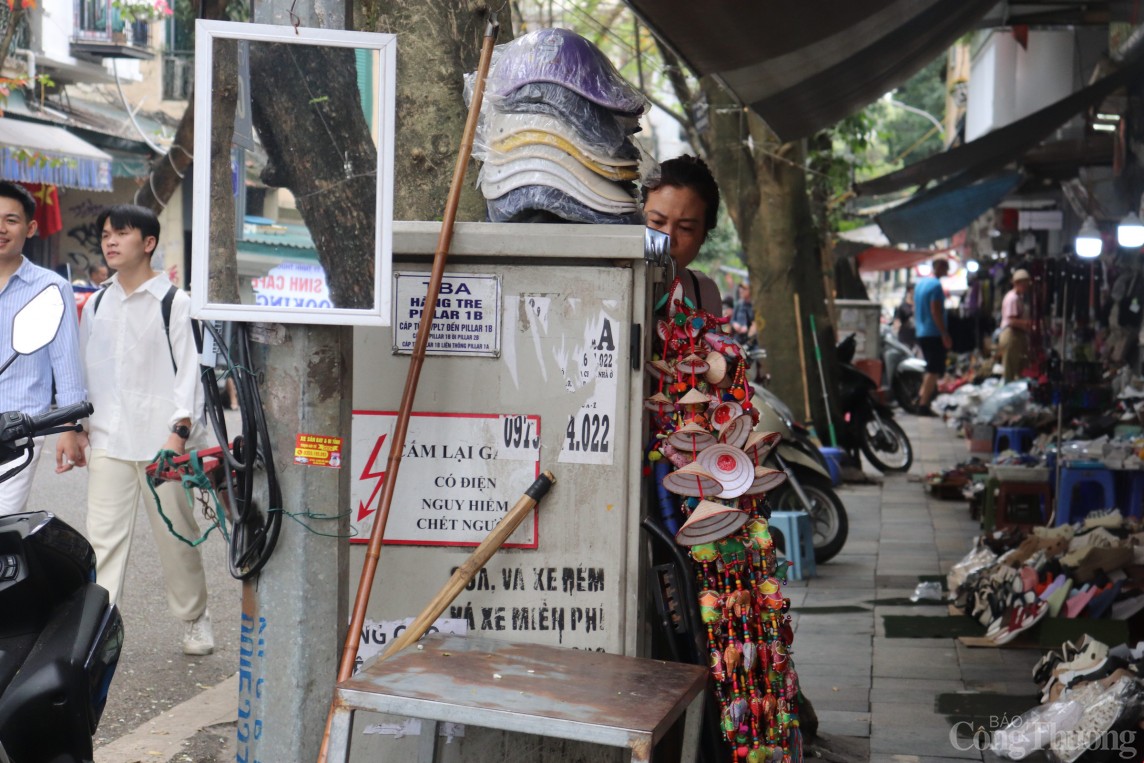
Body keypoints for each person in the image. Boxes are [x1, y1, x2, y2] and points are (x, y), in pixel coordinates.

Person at [72, 204, 213, 656]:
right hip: (109, 440)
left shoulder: (175, 302)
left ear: (148, 243)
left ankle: (194, 619)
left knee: (177, 538)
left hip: (162, 444)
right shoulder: (97, 303)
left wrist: (178, 433)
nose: (110, 242)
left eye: (122, 233)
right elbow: (85, 373)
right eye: (106, 235)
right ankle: (96, 629)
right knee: (102, 542)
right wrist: (78, 428)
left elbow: (189, 374)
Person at [0, 181, 86, 514]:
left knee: (4, 517)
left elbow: (65, 361)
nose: (1, 228)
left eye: (11, 220)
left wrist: (70, 427)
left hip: (19, 428)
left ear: (31, 227)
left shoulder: (51, 287)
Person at [641, 154, 722, 314]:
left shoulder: (704, 293)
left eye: (685, 228)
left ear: (704, 234)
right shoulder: (604, 278)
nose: (668, 238)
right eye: (657, 221)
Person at [913, 258, 951, 415]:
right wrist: (944, 333)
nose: (947, 272)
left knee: (930, 368)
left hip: (921, 331)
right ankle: (923, 404)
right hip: (933, 332)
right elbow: (935, 311)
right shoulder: (935, 286)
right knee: (933, 370)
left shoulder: (920, 284)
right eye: (946, 268)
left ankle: (921, 397)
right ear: (940, 267)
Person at [998, 269, 1033, 383]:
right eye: (1024, 283)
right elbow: (1012, 320)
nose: (1026, 286)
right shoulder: (1012, 298)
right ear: (1017, 283)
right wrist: (1027, 324)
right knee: (1010, 370)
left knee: (1018, 367)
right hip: (1011, 334)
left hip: (1016, 335)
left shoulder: (1018, 297)